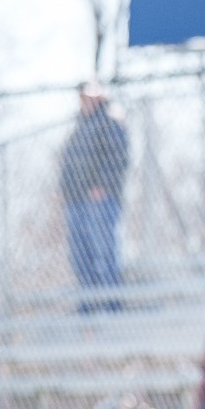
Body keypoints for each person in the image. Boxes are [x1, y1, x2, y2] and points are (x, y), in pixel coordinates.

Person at [58, 81, 130, 311]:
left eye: (90, 97)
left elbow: (118, 158)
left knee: (105, 251)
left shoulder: (110, 119)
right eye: (82, 97)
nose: (85, 102)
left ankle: (111, 304)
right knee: (81, 256)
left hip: (100, 198)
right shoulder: (79, 125)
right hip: (76, 199)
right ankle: (88, 305)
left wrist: (103, 186)